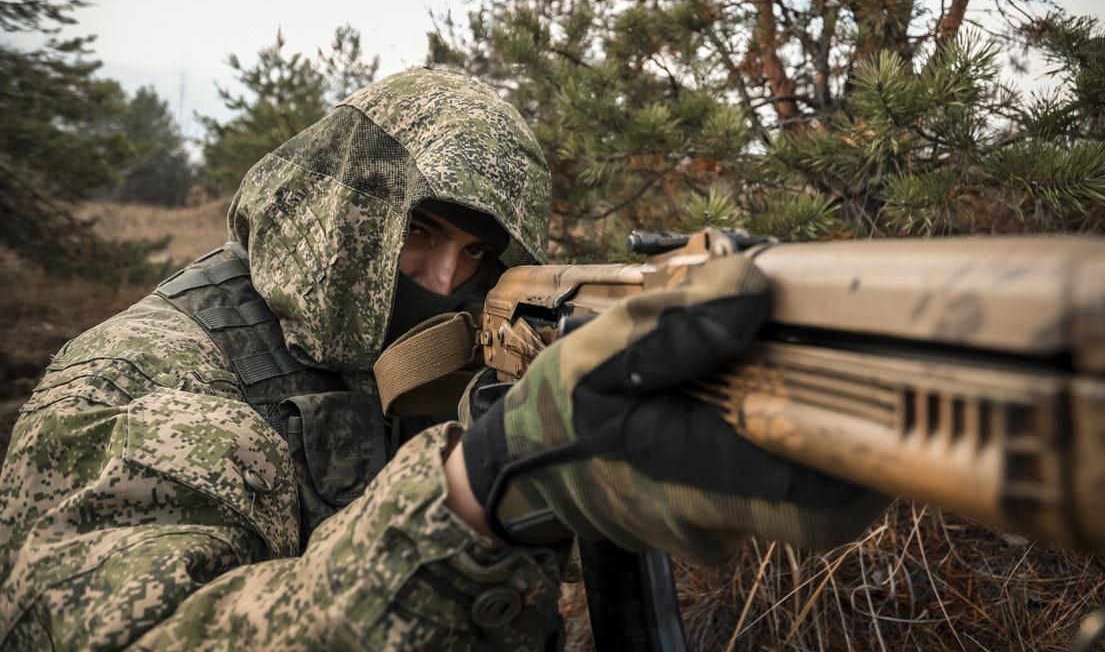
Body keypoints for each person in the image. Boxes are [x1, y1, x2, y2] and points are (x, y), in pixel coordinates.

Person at [0, 68, 884, 650]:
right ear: (336, 210)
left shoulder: (457, 347)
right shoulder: (144, 377)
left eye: (476, 254)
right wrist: (474, 492)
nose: (442, 278)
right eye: (417, 231)